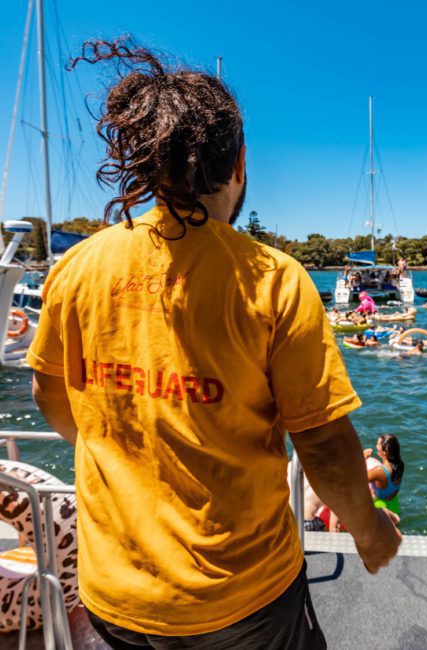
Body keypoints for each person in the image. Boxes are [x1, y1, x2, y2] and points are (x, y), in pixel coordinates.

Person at [27, 39, 401, 649]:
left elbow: (51, 396)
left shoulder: (79, 266)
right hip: (239, 597)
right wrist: (370, 533)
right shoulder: (272, 278)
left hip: (112, 590)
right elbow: (324, 444)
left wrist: (129, 445)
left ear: (150, 163)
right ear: (240, 164)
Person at [364, 435, 404, 516]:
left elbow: (356, 479)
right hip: (394, 506)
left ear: (385, 452)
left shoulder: (379, 471)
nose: (376, 446)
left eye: (378, 445)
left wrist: (363, 457)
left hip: (381, 508)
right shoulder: (400, 464)